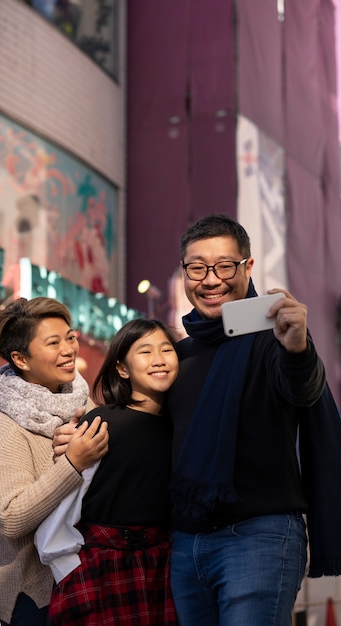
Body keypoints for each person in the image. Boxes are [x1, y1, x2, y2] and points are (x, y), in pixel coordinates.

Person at [168, 213, 341, 626]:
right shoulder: (179, 356)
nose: (211, 279)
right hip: (185, 544)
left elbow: (302, 389)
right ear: (184, 272)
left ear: (247, 267)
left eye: (225, 265)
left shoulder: (277, 336)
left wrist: (298, 349)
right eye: (197, 267)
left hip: (258, 538)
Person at [0, 297, 109, 626]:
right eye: (53, 342)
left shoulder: (81, 401)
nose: (68, 349)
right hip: (34, 594)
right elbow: (11, 518)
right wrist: (72, 464)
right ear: (20, 358)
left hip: (86, 576)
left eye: (70, 337)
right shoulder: (6, 429)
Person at [36, 318, 180, 625]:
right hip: (100, 568)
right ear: (122, 368)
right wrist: (71, 571)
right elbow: (62, 509)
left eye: (167, 349)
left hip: (162, 568)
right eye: (145, 351)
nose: (159, 360)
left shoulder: (180, 426)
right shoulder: (100, 423)